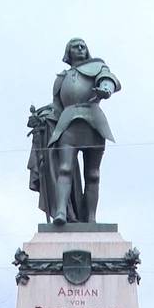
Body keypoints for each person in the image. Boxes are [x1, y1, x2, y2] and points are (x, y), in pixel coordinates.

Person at [27, 38, 121, 225]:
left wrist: (105, 89)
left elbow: (109, 79)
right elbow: (56, 107)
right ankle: (61, 211)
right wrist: (42, 115)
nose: (79, 49)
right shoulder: (61, 79)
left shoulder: (98, 66)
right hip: (68, 123)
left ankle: (91, 218)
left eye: (83, 46)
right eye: (75, 46)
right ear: (68, 52)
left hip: (93, 122)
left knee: (93, 174)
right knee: (64, 168)